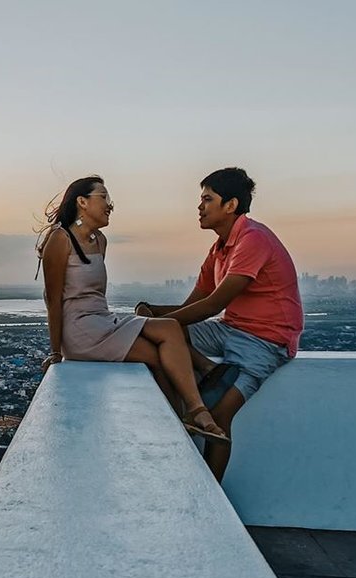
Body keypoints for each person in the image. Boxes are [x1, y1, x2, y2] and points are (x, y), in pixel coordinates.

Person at [136, 167, 303, 481]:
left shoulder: (253, 239)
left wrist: (156, 320)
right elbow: (189, 308)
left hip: (265, 340)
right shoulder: (219, 249)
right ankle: (204, 371)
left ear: (231, 205)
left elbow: (212, 305)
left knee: (218, 417)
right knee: (156, 337)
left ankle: (211, 500)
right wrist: (148, 312)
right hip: (229, 330)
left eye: (207, 199)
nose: (200, 207)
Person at [37, 175, 228, 443]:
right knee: (166, 333)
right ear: (82, 202)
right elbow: (53, 300)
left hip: (102, 321)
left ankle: (182, 418)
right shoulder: (60, 240)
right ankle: (197, 412)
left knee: (164, 347)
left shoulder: (100, 241)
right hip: (81, 331)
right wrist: (56, 352)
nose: (109, 205)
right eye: (103, 197)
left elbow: (96, 296)